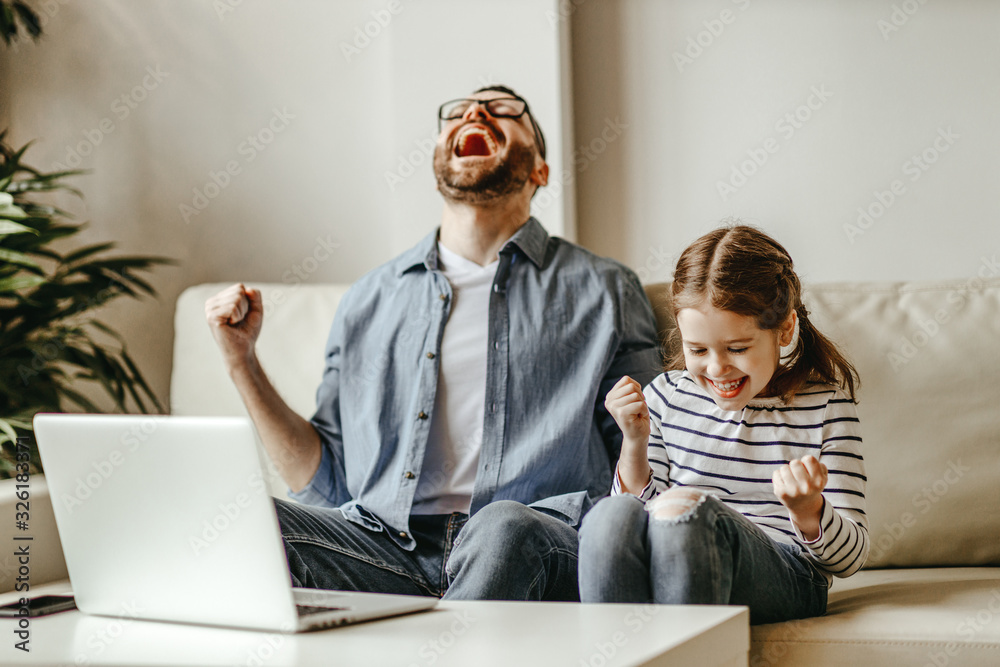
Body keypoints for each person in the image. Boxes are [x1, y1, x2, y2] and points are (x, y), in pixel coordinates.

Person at [204, 85, 662, 601]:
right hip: (383, 548)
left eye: (506, 111)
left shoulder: (604, 288)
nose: (475, 112)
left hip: (530, 539)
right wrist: (241, 362)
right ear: (438, 160)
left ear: (540, 171)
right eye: (460, 112)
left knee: (503, 527)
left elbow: (651, 449)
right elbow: (325, 482)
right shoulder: (369, 298)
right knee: (248, 520)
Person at [578, 224, 868, 624]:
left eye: (737, 348)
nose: (717, 368)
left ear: (784, 329)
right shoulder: (666, 396)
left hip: (788, 572)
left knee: (689, 516)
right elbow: (638, 524)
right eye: (698, 349)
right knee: (609, 517)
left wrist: (808, 510)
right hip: (676, 559)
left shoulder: (826, 406)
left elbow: (850, 559)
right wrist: (634, 443)